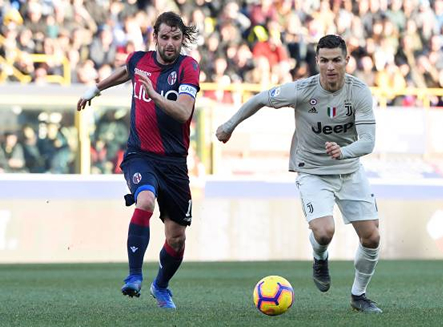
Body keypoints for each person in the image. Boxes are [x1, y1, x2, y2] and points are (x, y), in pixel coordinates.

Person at [216, 34, 382, 314]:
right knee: (324, 231)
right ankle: (320, 257)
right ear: (317, 61)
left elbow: (368, 141)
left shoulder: (359, 92)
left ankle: (359, 295)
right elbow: (260, 98)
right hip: (313, 171)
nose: (331, 67)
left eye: (337, 60)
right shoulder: (302, 90)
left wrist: (344, 152)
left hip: (350, 170)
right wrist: (230, 125)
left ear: (346, 61)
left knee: (372, 238)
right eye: (325, 60)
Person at [77, 11, 200, 310]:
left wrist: (154, 95)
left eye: (176, 38)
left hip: (174, 163)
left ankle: (161, 286)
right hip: (140, 155)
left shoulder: (188, 67)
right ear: (155, 37)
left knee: (177, 239)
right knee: (144, 201)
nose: (170, 44)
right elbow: (125, 71)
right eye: (165, 37)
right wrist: (96, 88)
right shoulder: (139, 60)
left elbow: (184, 112)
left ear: (182, 39)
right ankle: (134, 276)